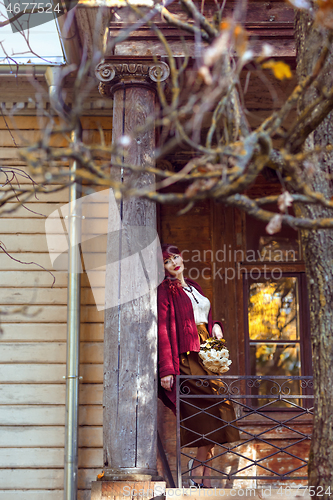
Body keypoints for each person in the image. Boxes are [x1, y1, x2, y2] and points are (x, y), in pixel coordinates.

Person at [157, 244, 239, 488]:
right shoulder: (165, 291)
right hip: (187, 357)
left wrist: (215, 325)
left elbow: (204, 315)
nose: (174, 263)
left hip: (207, 352)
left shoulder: (195, 286)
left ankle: (200, 475)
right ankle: (199, 476)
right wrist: (166, 369)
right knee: (204, 412)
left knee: (220, 407)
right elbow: (163, 329)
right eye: (167, 261)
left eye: (175, 257)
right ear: (163, 268)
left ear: (182, 257)